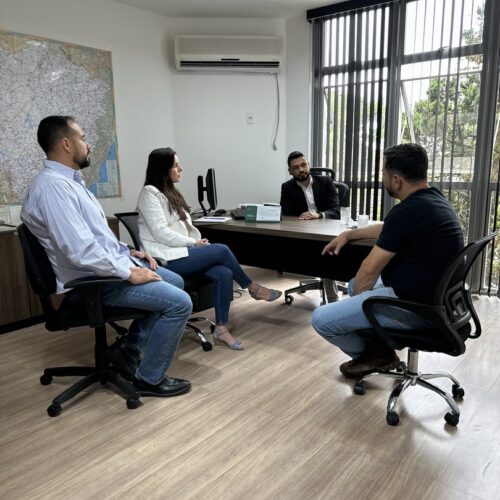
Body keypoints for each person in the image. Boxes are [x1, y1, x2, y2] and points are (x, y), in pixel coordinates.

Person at [21, 116, 193, 398]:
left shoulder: (70, 182)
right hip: (92, 282)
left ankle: (129, 350)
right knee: (179, 304)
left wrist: (129, 252)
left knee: (174, 280)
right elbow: (79, 251)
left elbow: (93, 238)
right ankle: (149, 380)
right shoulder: (54, 187)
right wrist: (128, 272)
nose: (89, 144)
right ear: (66, 143)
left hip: (103, 271)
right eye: (84, 138)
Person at [311, 143, 464, 379]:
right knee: (352, 285)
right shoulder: (434, 199)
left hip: (416, 310)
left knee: (321, 319)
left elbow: (369, 271)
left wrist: (360, 302)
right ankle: (378, 347)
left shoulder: (408, 211)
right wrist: (349, 234)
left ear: (396, 180)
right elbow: (389, 227)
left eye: (383, 173)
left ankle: (375, 355)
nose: (382, 179)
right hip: (437, 302)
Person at [136, 147, 282, 351]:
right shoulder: (149, 194)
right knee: (221, 250)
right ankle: (252, 287)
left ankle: (221, 329)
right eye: (176, 165)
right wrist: (193, 243)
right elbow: (161, 233)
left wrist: (196, 241)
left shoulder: (170, 193)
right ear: (163, 169)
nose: (181, 168)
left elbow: (180, 227)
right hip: (165, 260)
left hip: (182, 253)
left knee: (224, 272)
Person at [280, 151, 341, 301]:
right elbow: (286, 215)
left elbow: (336, 211)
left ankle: (332, 299)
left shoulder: (326, 182)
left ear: (309, 165)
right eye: (296, 167)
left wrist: (319, 214)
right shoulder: (287, 187)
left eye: (303, 165)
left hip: (327, 230)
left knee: (326, 252)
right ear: (290, 172)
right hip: (303, 232)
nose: (301, 169)